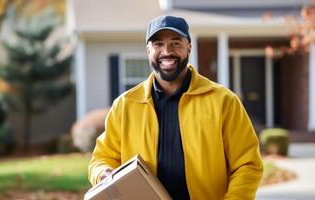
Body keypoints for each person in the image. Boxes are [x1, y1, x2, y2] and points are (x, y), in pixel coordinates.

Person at [88, 15, 263, 199]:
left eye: (176, 43)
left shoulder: (223, 101)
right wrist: (104, 173)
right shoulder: (125, 106)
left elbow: (247, 164)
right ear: (148, 50)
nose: (167, 51)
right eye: (158, 44)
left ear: (189, 47)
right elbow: (101, 158)